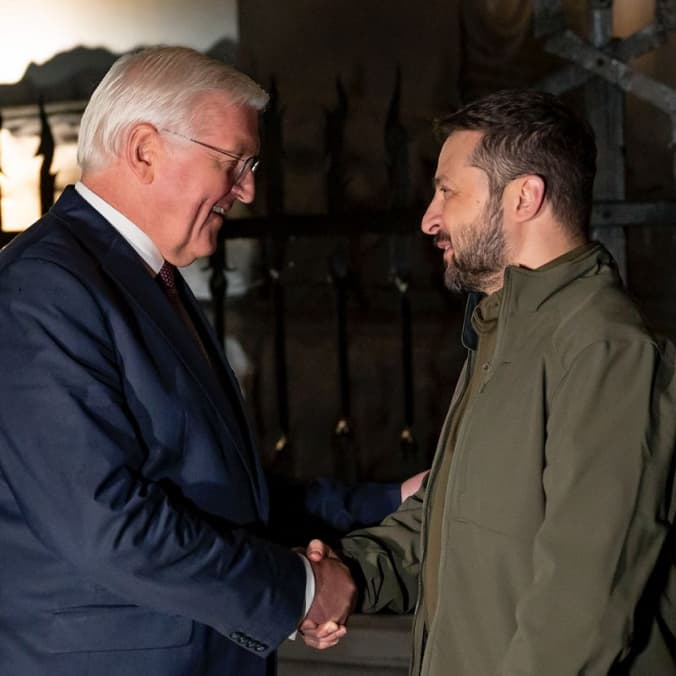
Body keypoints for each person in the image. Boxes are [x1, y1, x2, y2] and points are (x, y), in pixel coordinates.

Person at [0, 46, 425, 676]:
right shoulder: (42, 289)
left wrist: (384, 501)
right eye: (235, 162)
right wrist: (301, 591)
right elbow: (107, 524)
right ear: (144, 150)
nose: (248, 189)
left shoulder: (140, 279)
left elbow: (211, 492)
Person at [301, 89, 676, 675]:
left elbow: (581, 605)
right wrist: (347, 574)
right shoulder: (503, 332)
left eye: (448, 190)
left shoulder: (605, 349)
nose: (429, 216)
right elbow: (449, 525)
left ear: (525, 196)